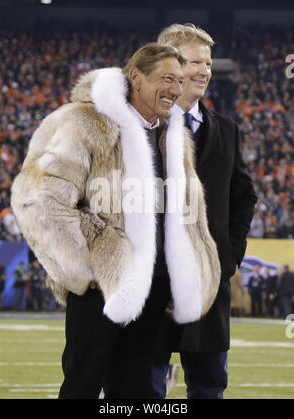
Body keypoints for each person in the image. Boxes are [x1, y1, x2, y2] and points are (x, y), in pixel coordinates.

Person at [11, 43, 221, 399]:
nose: (175, 89)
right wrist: (84, 269)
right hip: (101, 288)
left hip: (155, 290)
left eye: (179, 81)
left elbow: (188, 217)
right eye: (167, 79)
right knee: (83, 386)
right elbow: (38, 200)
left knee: (138, 393)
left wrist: (187, 276)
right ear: (136, 77)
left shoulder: (174, 137)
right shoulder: (83, 122)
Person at [152, 24, 257, 399]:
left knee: (209, 387)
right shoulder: (136, 128)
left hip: (207, 286)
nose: (205, 71)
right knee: (143, 391)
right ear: (168, 65)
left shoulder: (226, 130)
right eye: (195, 61)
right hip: (148, 285)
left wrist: (228, 259)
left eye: (208, 63)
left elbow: (244, 197)